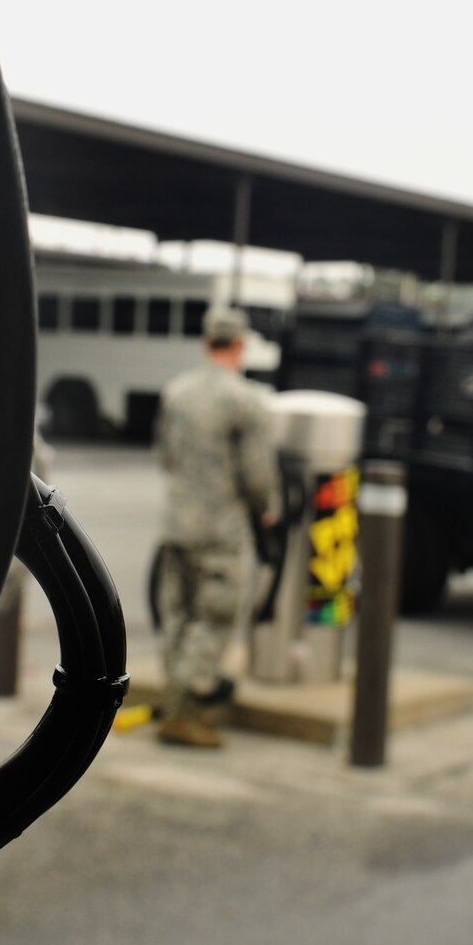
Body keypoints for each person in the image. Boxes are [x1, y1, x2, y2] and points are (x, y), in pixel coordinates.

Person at [152, 306, 281, 748]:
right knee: (214, 617)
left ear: (206, 342)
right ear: (241, 345)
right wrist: (268, 510)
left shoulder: (176, 393)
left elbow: (166, 456)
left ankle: (173, 702)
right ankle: (189, 713)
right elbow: (257, 477)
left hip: (176, 526)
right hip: (220, 533)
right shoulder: (247, 402)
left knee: (178, 616)